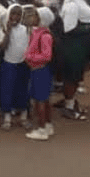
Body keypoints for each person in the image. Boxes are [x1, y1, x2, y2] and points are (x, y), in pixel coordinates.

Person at [60, 0, 90, 121]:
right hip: (73, 46)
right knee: (72, 76)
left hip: (81, 45)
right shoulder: (72, 5)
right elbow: (69, 29)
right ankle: (68, 107)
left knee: (77, 75)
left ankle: (71, 102)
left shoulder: (79, 1)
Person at [23, 7, 56, 140]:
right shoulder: (38, 33)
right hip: (37, 70)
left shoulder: (45, 36)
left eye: (36, 16)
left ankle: (42, 128)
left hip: (40, 70)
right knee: (43, 99)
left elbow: (47, 56)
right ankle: (47, 125)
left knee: (40, 100)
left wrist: (30, 57)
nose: (33, 18)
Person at [0, 4, 31, 130]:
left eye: (18, 14)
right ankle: (7, 118)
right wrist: (8, 31)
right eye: (13, 14)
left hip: (23, 63)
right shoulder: (4, 29)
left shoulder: (26, 29)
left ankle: (23, 116)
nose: (15, 17)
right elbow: (3, 47)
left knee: (22, 89)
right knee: (7, 90)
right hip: (8, 63)